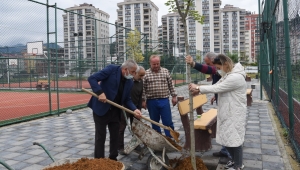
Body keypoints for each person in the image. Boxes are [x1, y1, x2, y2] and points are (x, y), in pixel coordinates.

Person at [189, 54, 247, 170]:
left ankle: (238, 165)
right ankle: (234, 160)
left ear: (225, 64)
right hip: (227, 111)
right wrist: (200, 88)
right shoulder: (228, 74)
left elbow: (217, 88)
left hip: (234, 113)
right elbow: (218, 85)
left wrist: (199, 88)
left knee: (235, 140)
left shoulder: (235, 77)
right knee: (227, 139)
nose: (218, 71)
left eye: (219, 68)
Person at [87, 59, 142, 161]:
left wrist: (135, 109)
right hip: (101, 109)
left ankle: (113, 159)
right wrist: (100, 92)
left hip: (115, 111)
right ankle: (99, 161)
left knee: (115, 136)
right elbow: (92, 78)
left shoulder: (129, 82)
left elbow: (127, 99)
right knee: (101, 136)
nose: (134, 74)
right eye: (133, 72)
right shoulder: (111, 69)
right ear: (125, 69)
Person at [186, 52, 232, 162]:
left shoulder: (220, 68)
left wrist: (193, 64)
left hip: (227, 103)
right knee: (224, 126)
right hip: (221, 99)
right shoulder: (220, 69)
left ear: (214, 60)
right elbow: (217, 85)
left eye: (208, 63)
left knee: (227, 127)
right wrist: (215, 96)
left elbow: (208, 70)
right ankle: (225, 150)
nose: (208, 65)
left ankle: (229, 155)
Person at [142, 55, 177, 138]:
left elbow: (171, 85)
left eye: (158, 63)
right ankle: (158, 138)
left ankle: (170, 138)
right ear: (150, 63)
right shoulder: (146, 74)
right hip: (151, 101)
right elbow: (143, 88)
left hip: (164, 100)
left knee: (167, 121)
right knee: (154, 121)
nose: (156, 66)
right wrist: (143, 100)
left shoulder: (165, 72)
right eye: (154, 64)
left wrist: (174, 96)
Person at [118, 66, 145, 155]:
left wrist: (139, 108)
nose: (142, 77)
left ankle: (136, 145)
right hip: (125, 108)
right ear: (135, 73)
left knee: (136, 128)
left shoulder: (140, 82)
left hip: (135, 109)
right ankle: (120, 147)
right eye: (140, 75)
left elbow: (140, 96)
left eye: (143, 76)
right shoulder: (128, 81)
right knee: (121, 128)